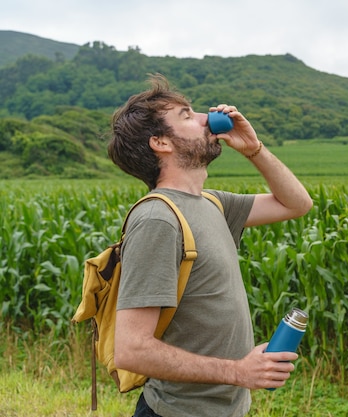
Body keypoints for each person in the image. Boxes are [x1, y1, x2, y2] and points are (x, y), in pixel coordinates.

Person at [107, 73, 313, 417]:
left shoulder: (213, 203)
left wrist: (254, 149)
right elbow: (131, 350)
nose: (207, 118)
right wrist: (238, 372)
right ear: (161, 142)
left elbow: (296, 204)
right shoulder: (159, 218)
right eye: (187, 115)